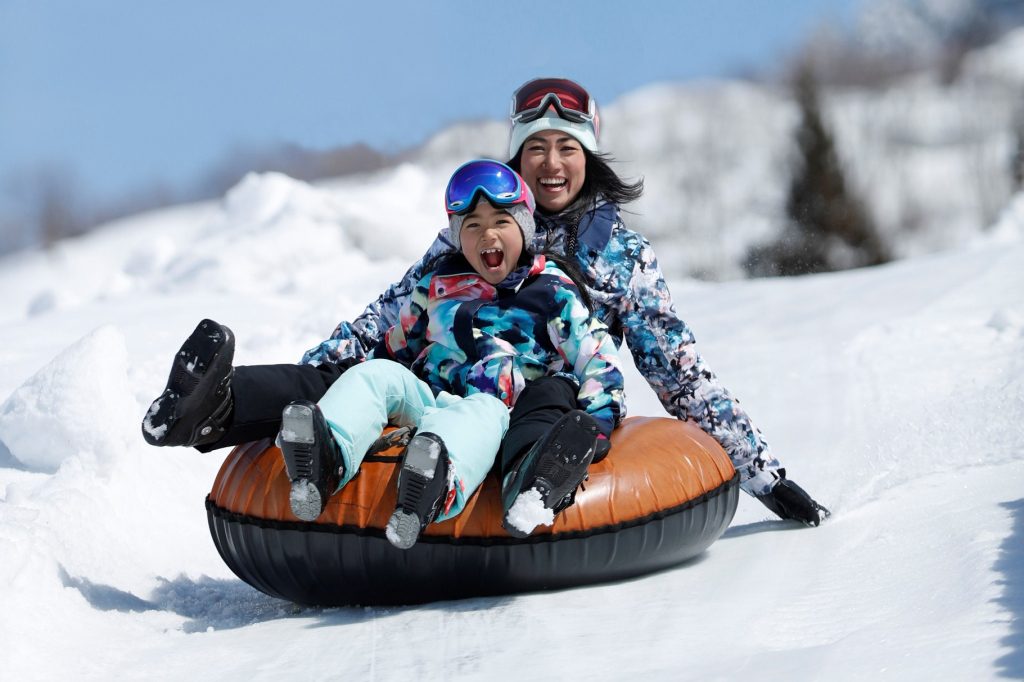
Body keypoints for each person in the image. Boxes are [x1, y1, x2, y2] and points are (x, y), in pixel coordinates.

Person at [143, 78, 828, 527]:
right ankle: (216, 405)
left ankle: (535, 479)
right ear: (516, 163)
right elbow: (386, 321)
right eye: (536, 150)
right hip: (437, 394)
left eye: (567, 148)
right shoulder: (472, 229)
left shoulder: (617, 257)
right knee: (354, 368)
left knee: (546, 396)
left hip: (537, 405)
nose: (552, 163)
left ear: (589, 158)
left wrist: (763, 474)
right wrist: (322, 379)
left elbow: (679, 374)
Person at [147, 161, 624, 549]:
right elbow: (387, 344)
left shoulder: (554, 293)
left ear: (524, 228)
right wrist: (330, 372)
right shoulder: (438, 287)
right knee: (375, 372)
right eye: (472, 226)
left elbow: (597, 363)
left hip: (499, 412)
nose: (487, 236)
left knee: (510, 400)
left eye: (501, 222)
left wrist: (598, 426)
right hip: (430, 397)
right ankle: (319, 452)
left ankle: (446, 482)